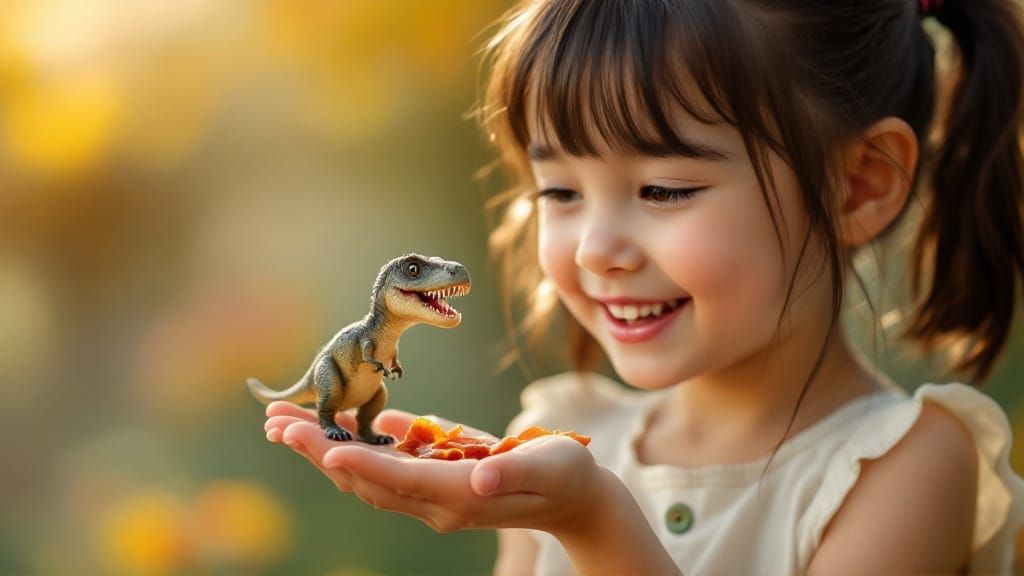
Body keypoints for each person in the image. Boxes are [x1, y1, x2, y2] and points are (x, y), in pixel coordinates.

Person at [263, 0, 1024, 573]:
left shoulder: (910, 467)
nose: (597, 249)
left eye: (662, 190)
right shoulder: (557, 435)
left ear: (857, 185)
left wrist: (593, 523)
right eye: (559, 191)